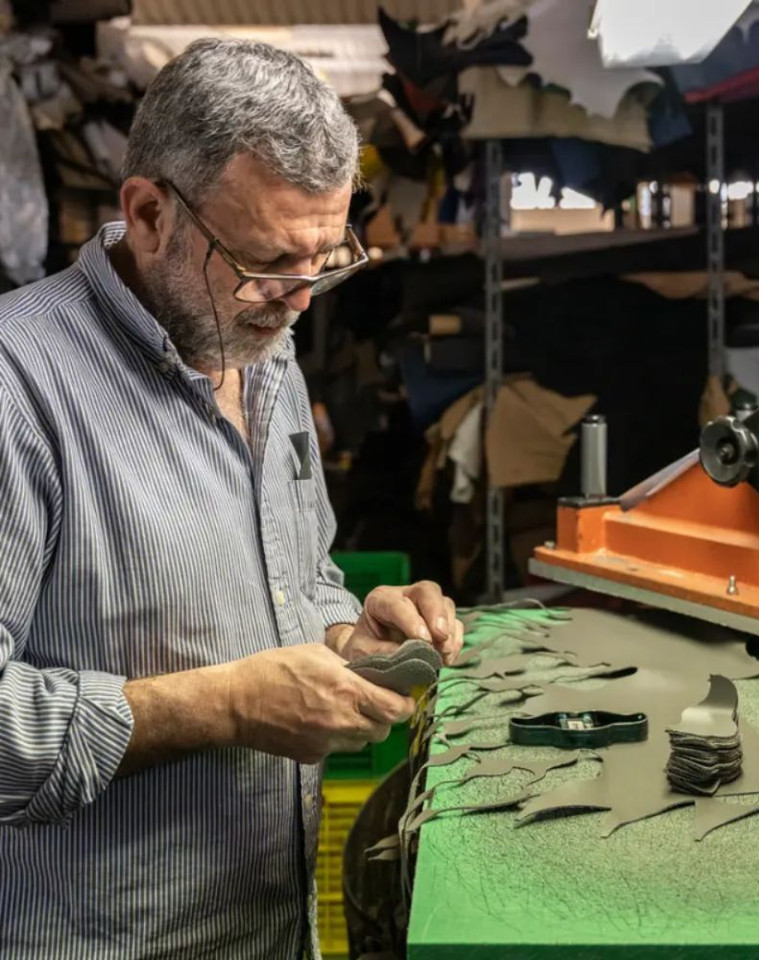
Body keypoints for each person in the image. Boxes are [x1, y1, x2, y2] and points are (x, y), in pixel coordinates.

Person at [0, 38, 462, 959]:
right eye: (267, 261)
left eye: (323, 260)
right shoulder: (18, 385)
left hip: (272, 920)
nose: (298, 301)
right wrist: (225, 707)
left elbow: (298, 574)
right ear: (150, 213)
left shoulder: (265, 351)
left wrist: (347, 634)